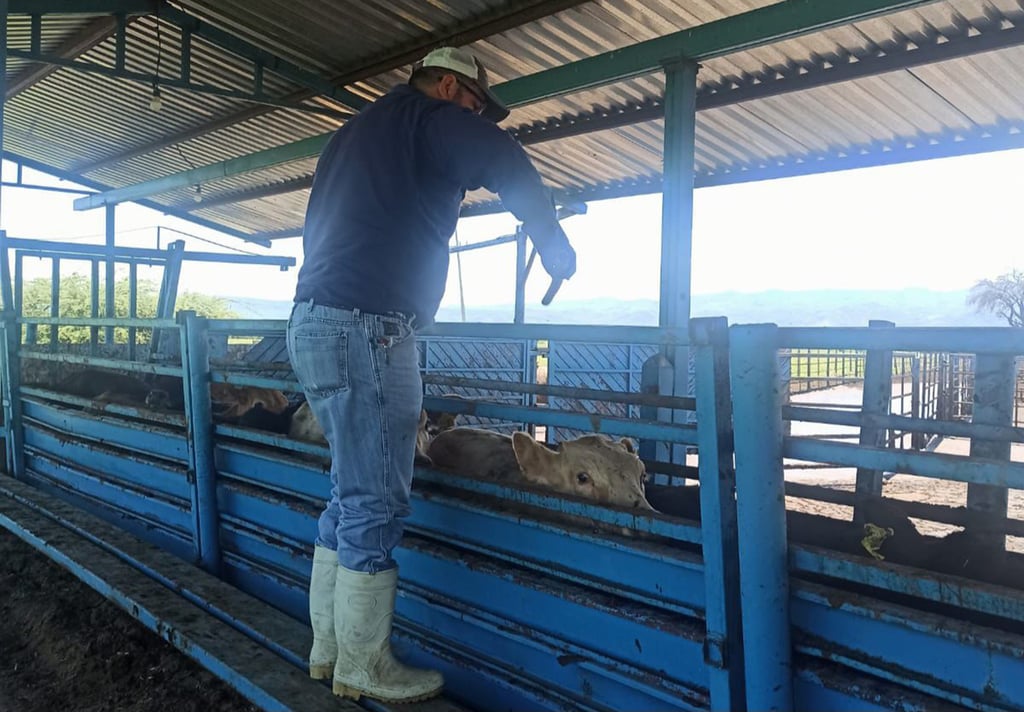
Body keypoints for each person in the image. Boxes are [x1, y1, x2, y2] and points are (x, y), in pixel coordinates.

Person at [286, 45, 577, 703]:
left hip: (316, 322)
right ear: (448, 86)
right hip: (368, 328)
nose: (474, 118)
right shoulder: (426, 117)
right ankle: (364, 665)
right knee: (375, 499)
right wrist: (550, 240)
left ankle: (329, 650)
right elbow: (504, 159)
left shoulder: (355, 133)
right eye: (473, 104)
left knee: (347, 490)